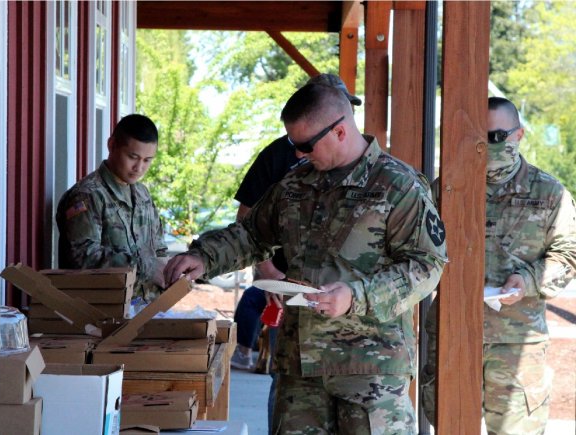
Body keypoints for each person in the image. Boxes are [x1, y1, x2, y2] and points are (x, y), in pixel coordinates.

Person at [164, 82, 447, 433]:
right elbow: (253, 235)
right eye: (292, 146)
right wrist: (205, 257)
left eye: (305, 145)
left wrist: (356, 295)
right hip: (300, 368)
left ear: (340, 131)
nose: (298, 155)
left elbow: (426, 264)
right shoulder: (294, 185)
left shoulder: (399, 186)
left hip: (370, 373)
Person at [420, 97, 576, 434]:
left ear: (518, 135)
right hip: (453, 333)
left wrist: (527, 281)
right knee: (450, 426)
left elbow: (568, 255)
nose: (487, 145)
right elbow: (417, 251)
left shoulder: (550, 193)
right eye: (480, 136)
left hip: (516, 342)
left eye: (496, 137)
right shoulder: (448, 189)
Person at [231, 73, 362, 372]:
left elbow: (420, 262)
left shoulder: (379, 170)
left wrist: (358, 295)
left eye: (348, 106)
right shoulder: (279, 156)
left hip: (354, 326)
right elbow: (247, 224)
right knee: (287, 385)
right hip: (291, 297)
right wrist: (268, 272)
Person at [55, 114, 167, 302]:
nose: (139, 167)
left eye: (147, 160)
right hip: (103, 313)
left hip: (149, 308)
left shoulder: (142, 194)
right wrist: (145, 268)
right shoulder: (88, 196)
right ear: (112, 145)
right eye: (133, 157)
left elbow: (159, 249)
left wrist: (168, 271)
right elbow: (83, 259)